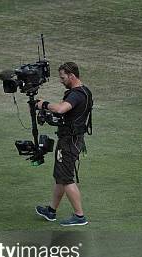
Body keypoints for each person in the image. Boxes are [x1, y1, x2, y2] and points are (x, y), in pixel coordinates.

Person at [35, 62, 93, 226]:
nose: (61, 80)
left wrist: (44, 104)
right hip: (72, 139)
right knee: (60, 177)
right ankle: (51, 211)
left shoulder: (75, 95)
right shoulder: (85, 91)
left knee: (66, 178)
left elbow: (61, 109)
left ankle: (79, 216)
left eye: (63, 77)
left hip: (69, 141)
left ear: (71, 76)